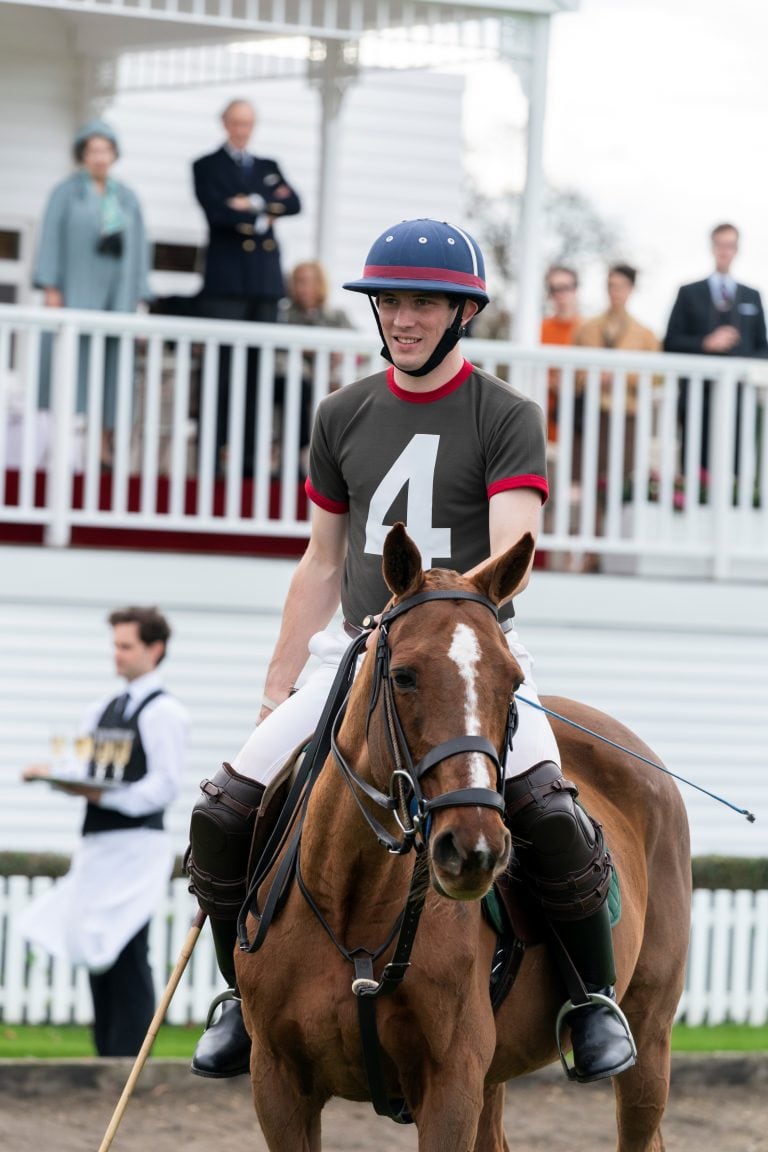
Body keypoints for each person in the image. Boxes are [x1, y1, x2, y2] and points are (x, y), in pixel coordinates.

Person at [185, 218, 636, 1086]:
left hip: (472, 652)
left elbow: (514, 555)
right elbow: (321, 558)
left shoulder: (507, 415)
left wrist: (435, 619)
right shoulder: (340, 413)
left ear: (462, 312)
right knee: (224, 808)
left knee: (547, 809)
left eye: (423, 302)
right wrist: (281, 678)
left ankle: (590, 997)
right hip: (353, 653)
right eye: (390, 301)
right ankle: (242, 994)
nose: (403, 317)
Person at [20, 606, 188, 1058]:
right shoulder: (103, 708)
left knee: (128, 944)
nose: (117, 655)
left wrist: (102, 797)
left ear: (155, 649)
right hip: (98, 845)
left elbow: (163, 786)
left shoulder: (164, 712)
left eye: (126, 646)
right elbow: (86, 770)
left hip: (138, 846)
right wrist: (53, 776)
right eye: (114, 645)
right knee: (97, 944)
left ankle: (129, 1057)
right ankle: (105, 1051)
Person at [33, 119, 152, 466]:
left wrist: (139, 294)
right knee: (69, 368)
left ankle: (103, 447)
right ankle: (61, 446)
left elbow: (141, 248)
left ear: (114, 154)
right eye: (93, 150)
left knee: (113, 372)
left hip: (118, 298)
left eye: (105, 150)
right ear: (82, 155)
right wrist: (50, 285)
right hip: (76, 292)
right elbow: (51, 238)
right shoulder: (66, 192)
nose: (99, 157)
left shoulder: (127, 197)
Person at [193, 99, 301, 475]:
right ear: (224, 123)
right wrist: (267, 208)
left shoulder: (267, 167)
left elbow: (294, 203)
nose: (242, 130)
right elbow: (217, 213)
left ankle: (252, 457)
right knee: (221, 373)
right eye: (236, 123)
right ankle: (213, 455)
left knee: (258, 374)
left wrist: (252, 202)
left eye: (248, 123)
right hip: (225, 284)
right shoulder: (207, 166)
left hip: (264, 283)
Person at [663, 222, 768, 470]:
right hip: (697, 400)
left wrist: (744, 367)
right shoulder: (688, 292)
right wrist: (705, 343)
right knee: (695, 464)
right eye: (720, 244)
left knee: (737, 465)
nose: (725, 251)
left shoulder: (752, 296)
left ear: (737, 249)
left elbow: (763, 349)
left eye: (730, 245)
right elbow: (670, 342)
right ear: (712, 247)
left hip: (740, 400)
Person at [273, 260, 354, 474]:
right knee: (297, 388)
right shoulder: (284, 315)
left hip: (331, 382)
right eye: (298, 282)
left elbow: (360, 350)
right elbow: (279, 354)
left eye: (309, 282)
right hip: (296, 384)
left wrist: (340, 352)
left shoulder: (336, 316)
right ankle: (296, 456)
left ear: (320, 285)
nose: (303, 288)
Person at [540, 265, 581, 443]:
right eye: (554, 289)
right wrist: (551, 382)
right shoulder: (539, 329)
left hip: (578, 425)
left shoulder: (587, 329)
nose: (560, 294)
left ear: (575, 289)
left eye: (565, 287)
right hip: (543, 422)